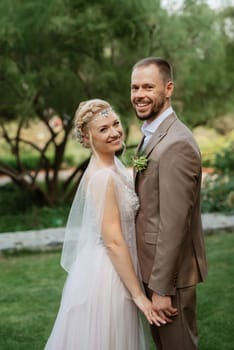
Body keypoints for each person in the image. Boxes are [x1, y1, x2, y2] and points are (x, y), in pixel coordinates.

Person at [44, 98, 165, 350]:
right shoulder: (102, 178)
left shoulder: (115, 168)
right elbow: (113, 241)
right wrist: (139, 296)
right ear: (87, 139)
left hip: (118, 268)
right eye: (103, 129)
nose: (114, 132)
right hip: (108, 276)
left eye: (116, 124)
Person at [131, 57, 208, 350]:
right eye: (135, 87)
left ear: (169, 88)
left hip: (169, 277)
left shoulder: (177, 143)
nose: (139, 94)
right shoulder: (152, 135)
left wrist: (161, 290)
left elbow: (175, 225)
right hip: (154, 271)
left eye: (148, 87)